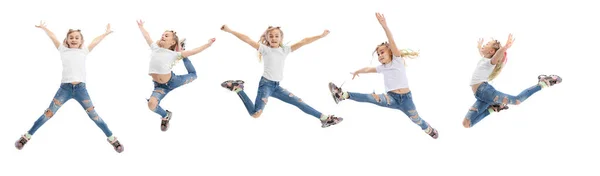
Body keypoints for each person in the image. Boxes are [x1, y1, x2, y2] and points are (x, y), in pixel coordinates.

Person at [15, 21, 124, 152]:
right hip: (65, 89)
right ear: (66, 40)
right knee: (48, 113)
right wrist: (45, 28)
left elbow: (95, 41)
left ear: (81, 41)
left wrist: (105, 34)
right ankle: (26, 137)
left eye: (77, 38)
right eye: (71, 37)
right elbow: (53, 37)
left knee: (94, 116)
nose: (73, 39)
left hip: (81, 90)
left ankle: (113, 139)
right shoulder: (63, 50)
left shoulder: (84, 51)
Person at [327, 13, 439, 139]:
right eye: (378, 54)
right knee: (372, 98)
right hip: (391, 98)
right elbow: (369, 69)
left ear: (390, 51)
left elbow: (392, 41)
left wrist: (384, 26)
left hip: (406, 100)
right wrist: (357, 71)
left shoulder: (397, 60)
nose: (380, 56)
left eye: (382, 52)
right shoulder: (383, 68)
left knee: (416, 119)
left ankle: (428, 129)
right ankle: (342, 95)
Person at [219, 24, 343, 128]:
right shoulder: (264, 49)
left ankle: (325, 118)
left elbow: (304, 41)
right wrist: (230, 30)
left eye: (276, 36)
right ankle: (238, 88)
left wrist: (321, 36)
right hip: (266, 86)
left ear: (281, 38)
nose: (273, 38)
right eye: (271, 36)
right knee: (255, 114)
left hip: (276, 87)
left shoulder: (285, 50)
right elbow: (247, 39)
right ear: (267, 38)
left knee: (299, 102)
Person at [461, 34, 562, 128]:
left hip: (485, 92)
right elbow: (482, 52)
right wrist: (479, 47)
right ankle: (494, 108)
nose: (484, 45)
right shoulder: (484, 59)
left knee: (517, 100)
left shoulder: (490, 63)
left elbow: (496, 56)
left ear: (491, 51)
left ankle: (543, 83)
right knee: (466, 124)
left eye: (487, 44)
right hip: (481, 96)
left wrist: (505, 47)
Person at [137, 19, 216, 131]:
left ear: (172, 42)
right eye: (163, 35)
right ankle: (166, 116)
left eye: (167, 36)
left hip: (173, 81)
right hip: (159, 87)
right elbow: (147, 36)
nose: (163, 36)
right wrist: (141, 27)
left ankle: (183, 54)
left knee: (194, 75)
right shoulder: (155, 48)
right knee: (151, 105)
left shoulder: (173, 54)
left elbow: (194, 51)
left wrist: (208, 44)